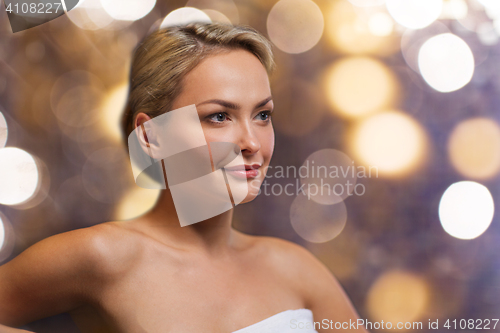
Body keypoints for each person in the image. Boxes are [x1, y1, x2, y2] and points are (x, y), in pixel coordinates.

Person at [0, 22, 369, 333]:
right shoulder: (104, 257)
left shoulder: (295, 270)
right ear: (151, 136)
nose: (252, 142)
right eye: (219, 116)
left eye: (262, 115)